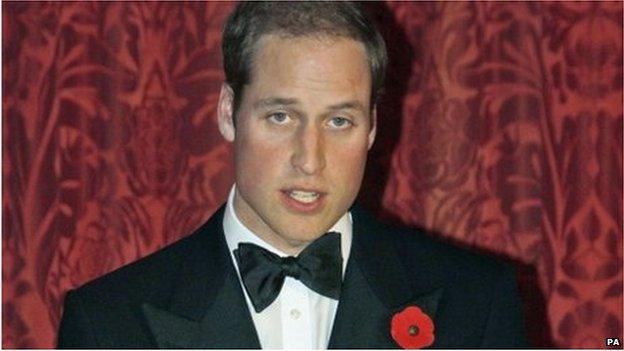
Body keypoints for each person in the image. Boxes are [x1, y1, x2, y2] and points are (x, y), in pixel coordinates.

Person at [57, 2, 529, 349]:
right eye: (281, 117)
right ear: (228, 111)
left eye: (339, 121)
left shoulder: (478, 302)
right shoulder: (107, 323)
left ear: (372, 128)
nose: (310, 159)